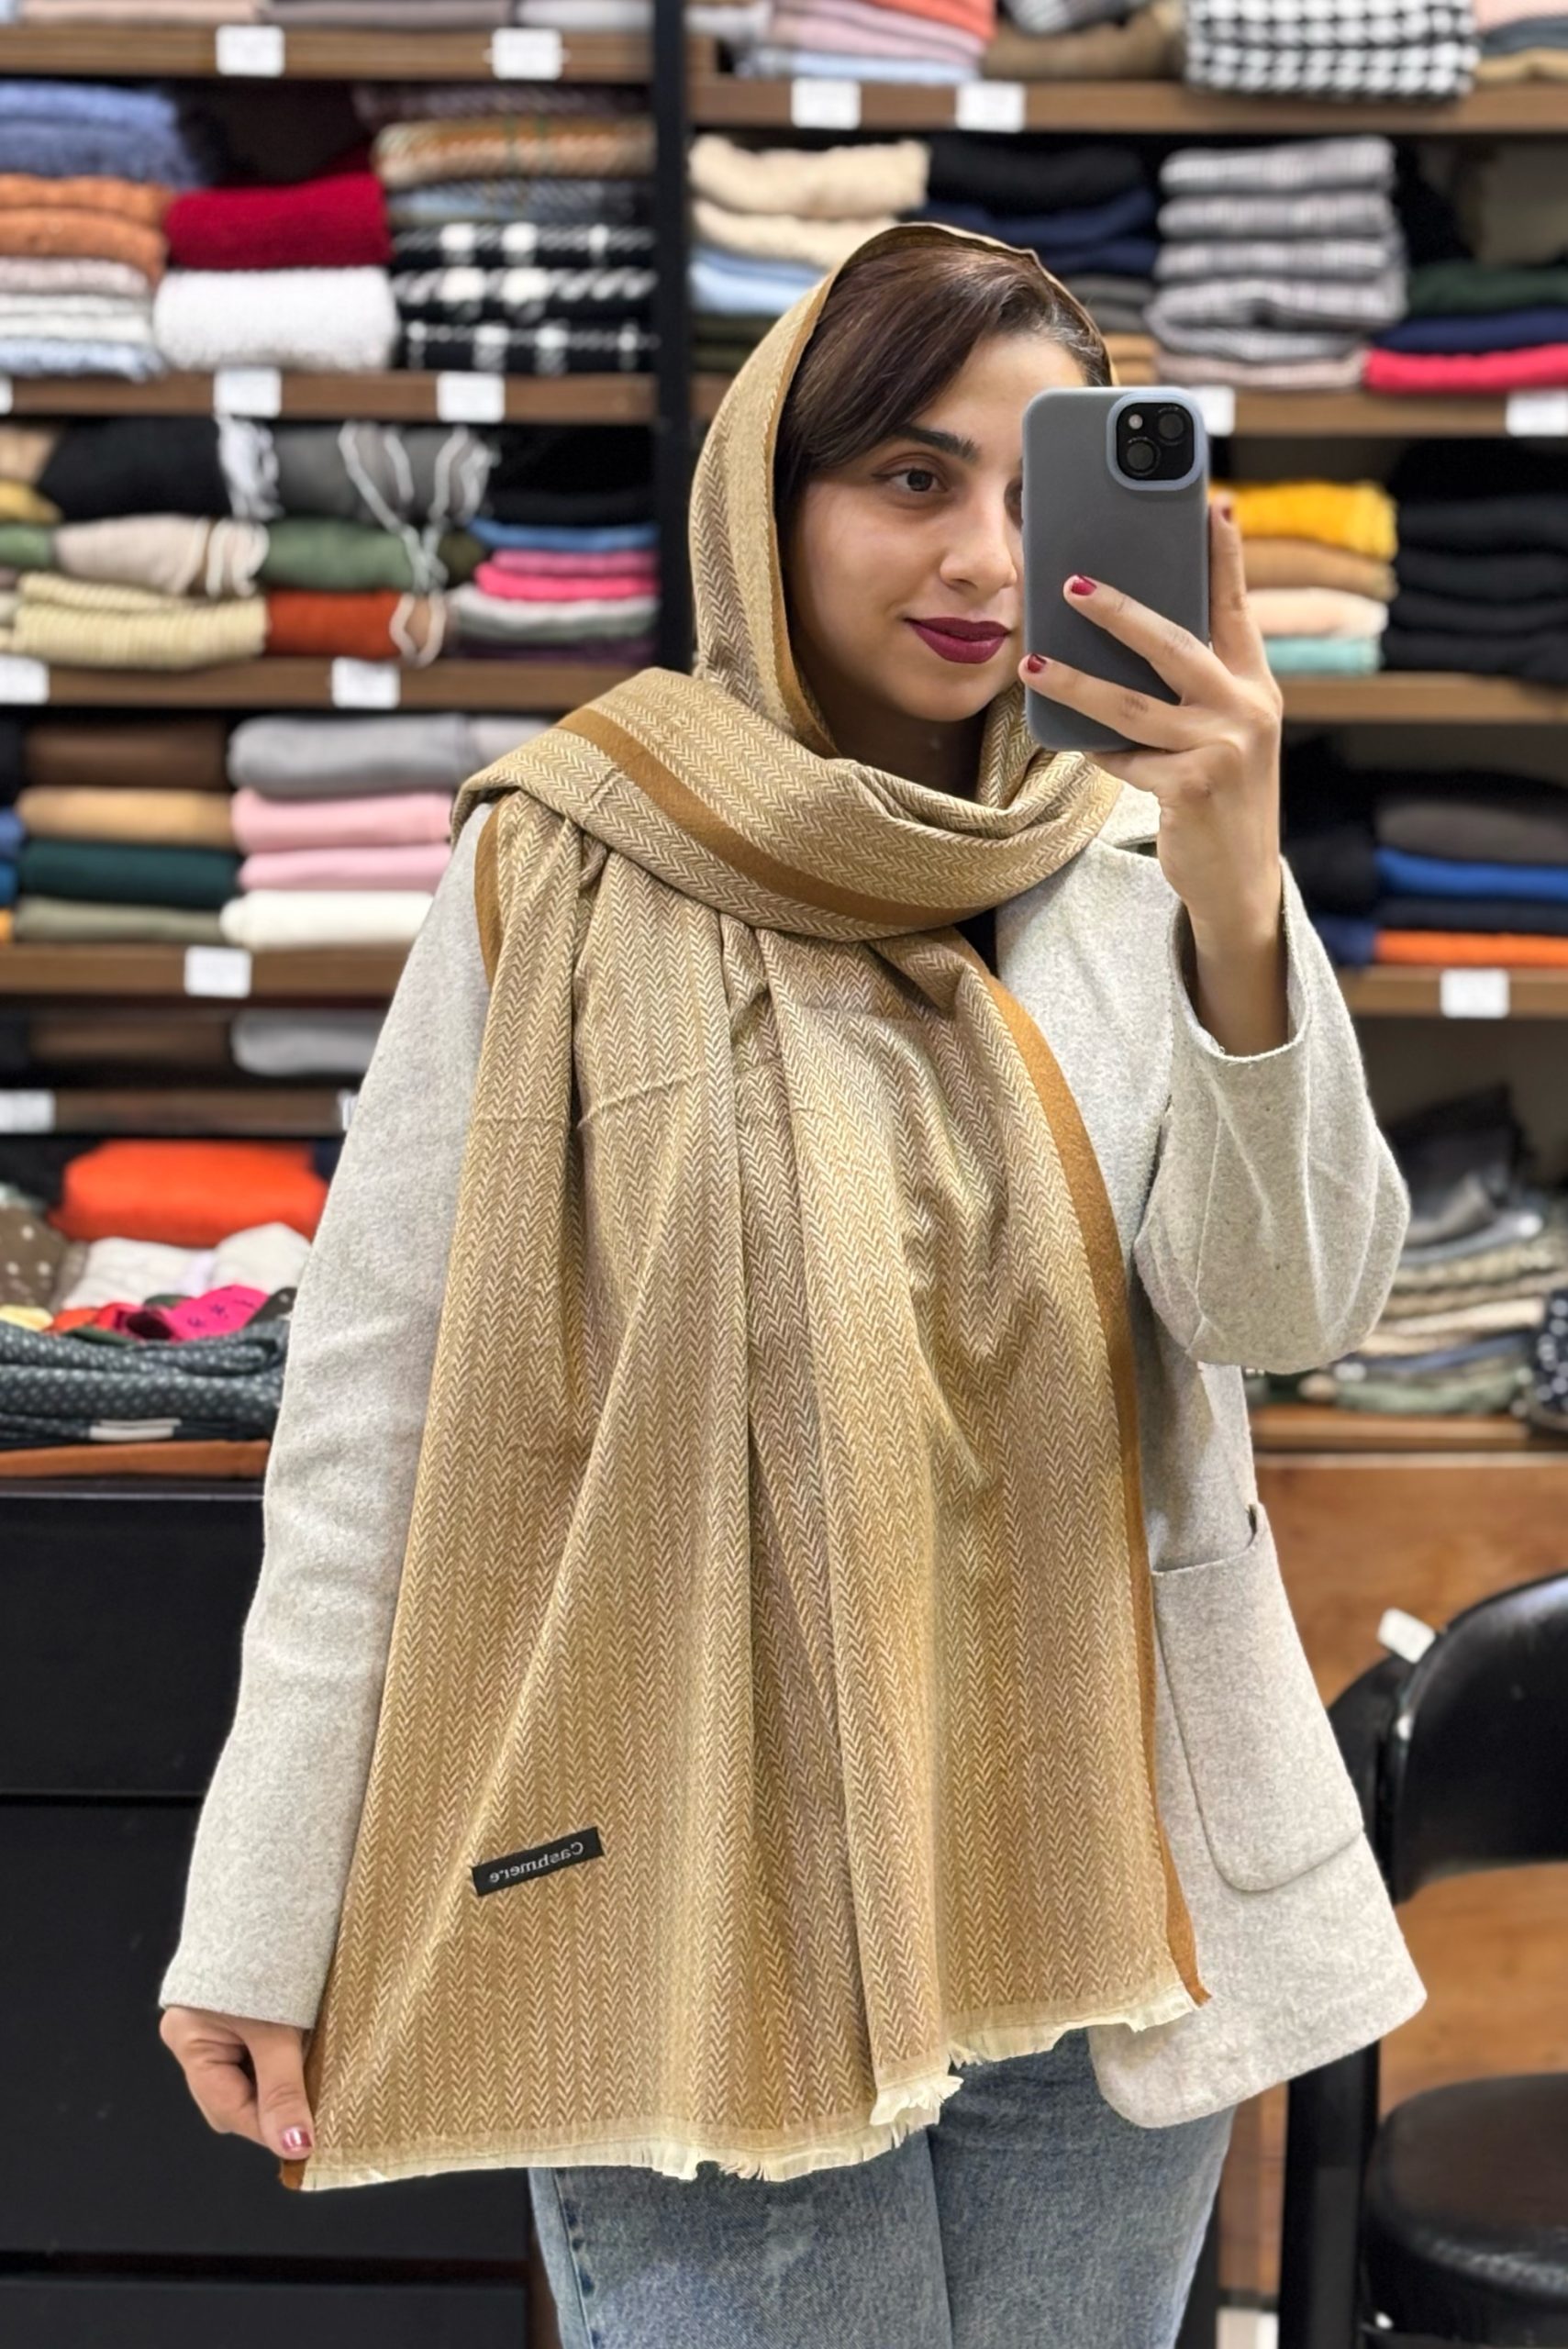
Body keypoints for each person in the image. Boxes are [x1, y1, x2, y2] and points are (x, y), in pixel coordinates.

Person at [158, 221, 1424, 2348]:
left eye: (1032, 488)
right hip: (697, 1886)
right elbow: (379, 1414)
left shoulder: (1137, 858)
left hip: (1103, 1895)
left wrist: (1234, 887)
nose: (982, 556)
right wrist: (263, 1908)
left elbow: (1286, 1309)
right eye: (913, 477)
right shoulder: (564, 860)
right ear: (774, 491)